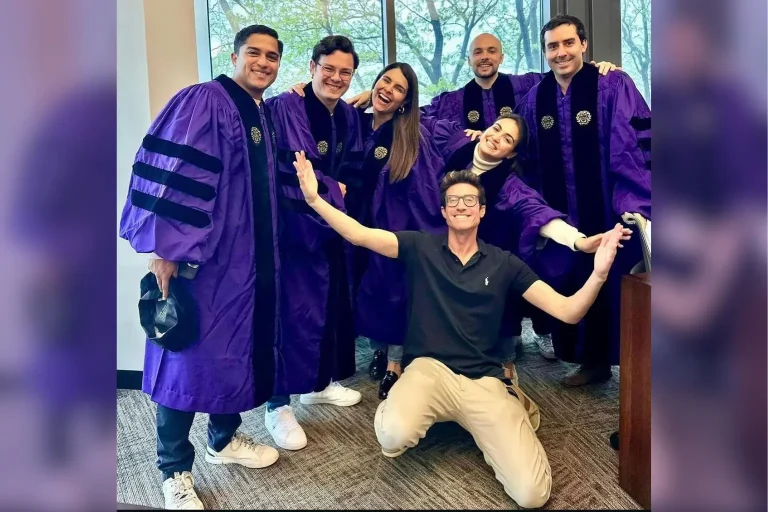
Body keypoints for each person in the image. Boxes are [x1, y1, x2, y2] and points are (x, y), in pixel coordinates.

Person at [293, 156, 631, 509]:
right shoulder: (420, 247)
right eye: (453, 200)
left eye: (470, 199)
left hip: (483, 379)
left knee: (532, 495)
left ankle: (509, 401)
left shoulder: (504, 263)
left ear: (482, 211)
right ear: (443, 212)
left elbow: (568, 311)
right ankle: (414, 410)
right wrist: (316, 200)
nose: (461, 205)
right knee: (392, 436)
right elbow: (358, 235)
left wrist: (600, 273)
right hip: (428, 371)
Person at [119, 25, 285, 510]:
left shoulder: (260, 112)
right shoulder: (204, 101)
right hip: (201, 264)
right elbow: (175, 176)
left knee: (231, 353)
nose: (263, 62)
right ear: (234, 56)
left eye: (272, 56)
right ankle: (174, 470)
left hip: (245, 266)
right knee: (183, 358)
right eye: (253, 53)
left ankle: (223, 439)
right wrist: (166, 249)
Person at [517, 15, 651, 386]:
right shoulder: (535, 98)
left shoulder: (611, 84)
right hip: (563, 218)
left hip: (608, 208)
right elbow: (524, 155)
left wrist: (635, 202)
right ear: (544, 52)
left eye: (567, 44)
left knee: (613, 286)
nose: (560, 53)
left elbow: (634, 144)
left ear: (583, 44)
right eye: (552, 46)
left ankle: (630, 371)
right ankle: (590, 363)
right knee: (571, 280)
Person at [262, 35, 364, 451]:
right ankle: (277, 405)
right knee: (289, 315)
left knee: (327, 307)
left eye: (345, 72)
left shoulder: (348, 115)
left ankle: (317, 384)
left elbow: (354, 165)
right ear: (311, 67)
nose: (336, 78)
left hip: (331, 229)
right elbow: (295, 165)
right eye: (329, 69)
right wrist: (333, 190)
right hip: (293, 230)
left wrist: (340, 193)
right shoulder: (289, 105)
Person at [461, 113, 609, 382]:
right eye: (496, 129)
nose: (496, 138)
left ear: (511, 153)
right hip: (444, 259)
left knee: (497, 339)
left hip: (484, 268)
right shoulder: (456, 149)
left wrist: (578, 241)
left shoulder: (508, 185)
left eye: (507, 139)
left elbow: (536, 213)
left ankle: (506, 382)